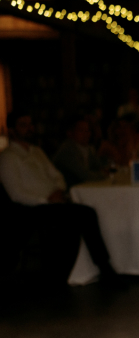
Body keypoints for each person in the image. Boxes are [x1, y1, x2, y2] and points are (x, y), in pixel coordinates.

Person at [0, 111, 122, 286]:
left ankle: (81, 267)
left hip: (53, 202)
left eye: (30, 124)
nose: (29, 129)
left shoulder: (37, 152)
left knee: (86, 211)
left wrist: (58, 190)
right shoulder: (7, 158)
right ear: (11, 130)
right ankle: (104, 268)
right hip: (31, 208)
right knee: (86, 213)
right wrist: (46, 200)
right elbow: (16, 194)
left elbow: (57, 176)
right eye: (23, 125)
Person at [53, 119, 107, 188]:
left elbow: (98, 166)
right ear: (70, 133)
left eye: (87, 131)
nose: (86, 134)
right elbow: (85, 175)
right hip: (68, 192)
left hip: (83, 189)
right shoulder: (68, 150)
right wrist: (104, 174)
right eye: (81, 130)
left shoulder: (88, 148)